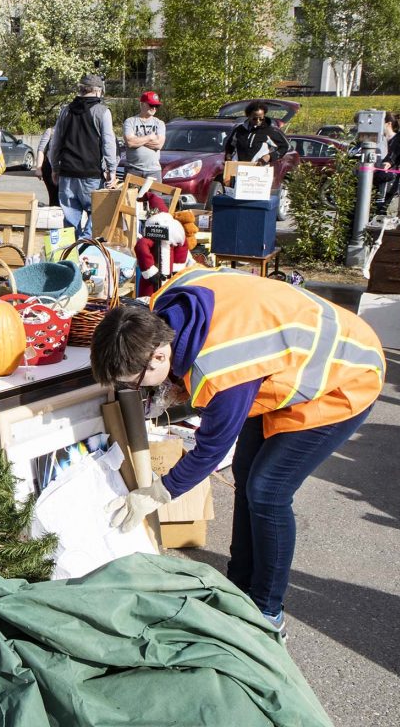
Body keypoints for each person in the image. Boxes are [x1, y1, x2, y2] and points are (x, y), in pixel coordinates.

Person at [91, 267, 384, 637]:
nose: (135, 390)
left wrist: (159, 492)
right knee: (247, 475)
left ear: (159, 358)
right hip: (290, 362)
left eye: (134, 383)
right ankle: (239, 586)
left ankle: (267, 611)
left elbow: (212, 448)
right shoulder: (165, 306)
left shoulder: (222, 368)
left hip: (345, 376)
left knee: (268, 490)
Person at [47, 74, 117, 238]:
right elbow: (109, 142)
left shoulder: (65, 110)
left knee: (70, 225)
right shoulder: (102, 112)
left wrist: (55, 168)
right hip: (91, 175)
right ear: (98, 90)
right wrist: (111, 170)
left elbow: (55, 142)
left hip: (67, 174)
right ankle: (85, 247)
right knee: (98, 217)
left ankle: (72, 256)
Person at [224, 101, 289, 164]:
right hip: (238, 168)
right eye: (254, 119)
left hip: (259, 168)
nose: (258, 121)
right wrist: (228, 157)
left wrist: (269, 156)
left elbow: (285, 147)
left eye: (261, 119)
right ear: (248, 116)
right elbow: (230, 146)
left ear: (264, 116)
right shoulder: (239, 129)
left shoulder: (269, 131)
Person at [121, 91, 166, 180]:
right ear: (142, 104)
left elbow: (159, 145)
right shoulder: (130, 121)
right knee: (131, 194)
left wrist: (137, 140)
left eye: (156, 106)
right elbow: (130, 142)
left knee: (155, 195)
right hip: (133, 170)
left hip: (154, 171)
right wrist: (150, 137)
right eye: (151, 105)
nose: (154, 108)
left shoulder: (159, 123)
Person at [34, 126, 58, 205]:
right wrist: (38, 168)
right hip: (49, 168)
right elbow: (41, 150)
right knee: (54, 197)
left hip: (67, 169)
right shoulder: (50, 131)